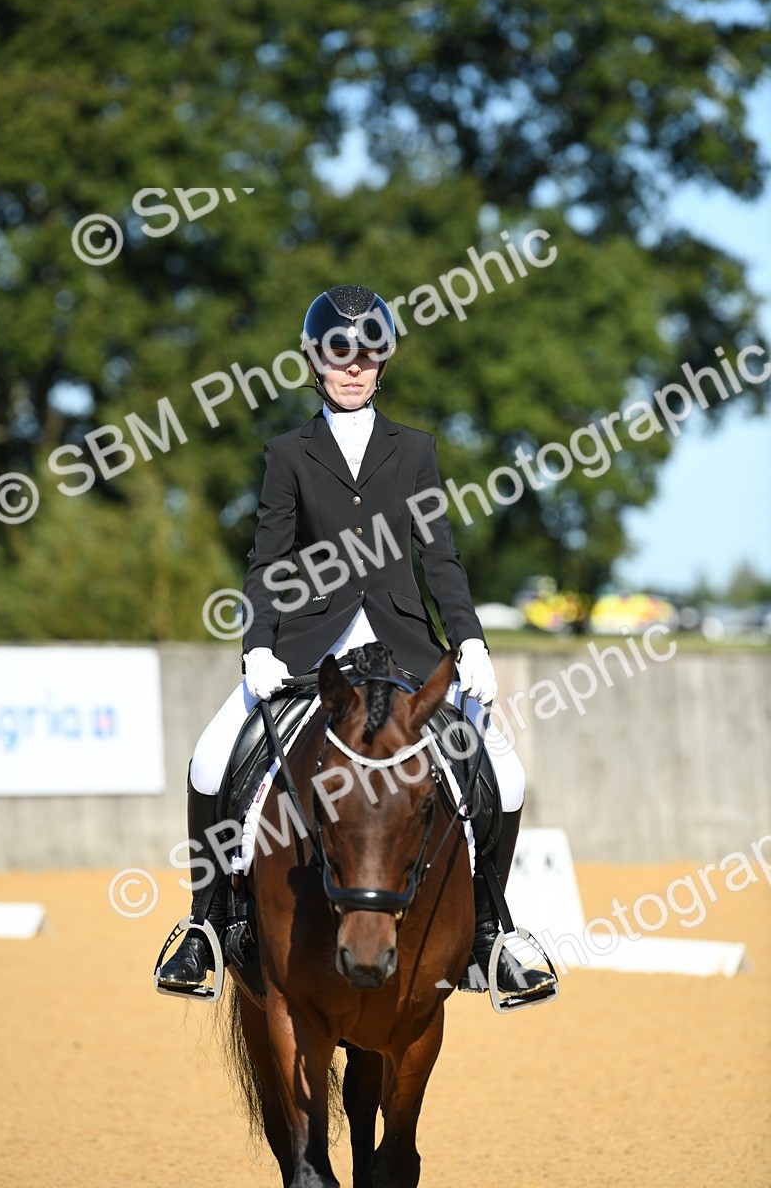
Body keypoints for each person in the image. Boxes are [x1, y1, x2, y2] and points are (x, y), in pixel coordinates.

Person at [158, 284, 555, 1006]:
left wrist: (469, 642)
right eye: (339, 352)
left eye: (367, 354)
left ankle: (495, 932)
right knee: (211, 759)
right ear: (316, 360)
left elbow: (439, 558)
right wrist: (259, 643)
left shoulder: (415, 451)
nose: (353, 366)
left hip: (405, 646)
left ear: (382, 364)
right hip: (310, 648)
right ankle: (205, 927)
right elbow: (268, 560)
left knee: (508, 773)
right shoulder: (289, 453)